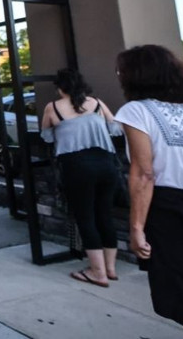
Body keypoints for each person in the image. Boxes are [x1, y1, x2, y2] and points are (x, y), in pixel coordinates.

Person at [113, 45, 183, 338]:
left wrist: (136, 228)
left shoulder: (136, 111)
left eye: (121, 69)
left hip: (172, 211)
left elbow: (143, 172)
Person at [40, 68, 120, 287]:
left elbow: (46, 136)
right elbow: (115, 128)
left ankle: (97, 272)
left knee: (85, 217)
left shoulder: (53, 107)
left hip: (77, 167)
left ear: (60, 87)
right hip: (106, 164)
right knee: (104, 215)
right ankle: (111, 269)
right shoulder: (97, 104)